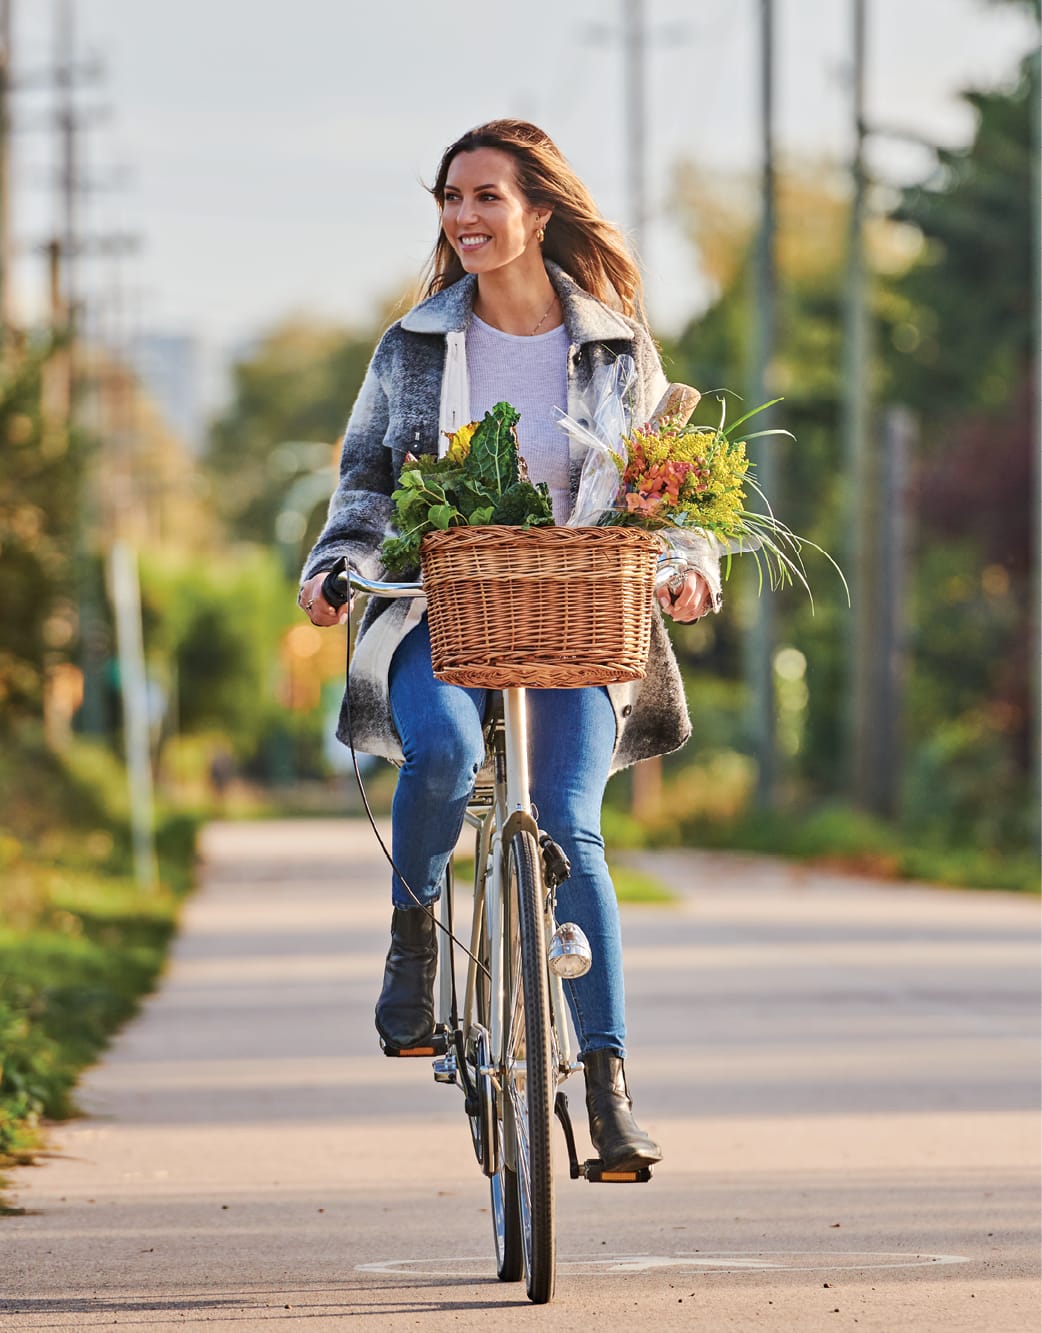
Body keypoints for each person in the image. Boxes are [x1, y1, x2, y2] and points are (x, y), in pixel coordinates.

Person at [298, 120, 721, 1172]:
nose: (464, 217)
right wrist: (333, 562)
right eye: (451, 198)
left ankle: (611, 1090)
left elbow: (668, 482)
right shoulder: (415, 344)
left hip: (575, 615)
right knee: (438, 752)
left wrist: (686, 562)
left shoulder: (617, 343)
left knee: (571, 830)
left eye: (486, 196)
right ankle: (411, 940)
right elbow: (362, 481)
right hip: (436, 604)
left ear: (538, 211)